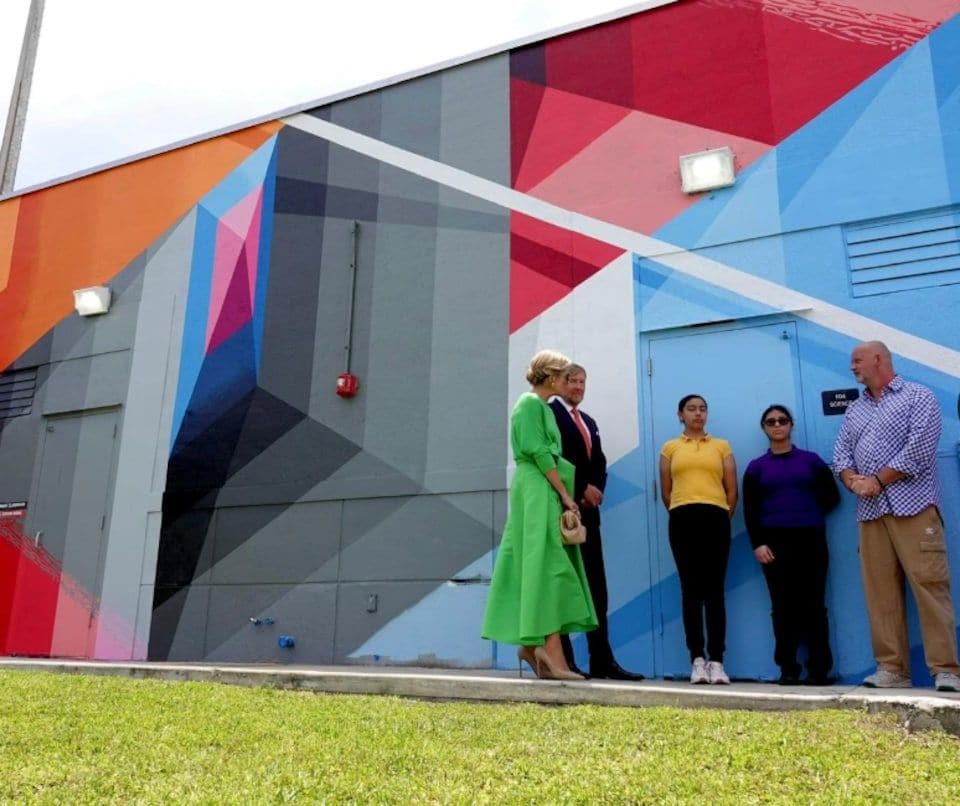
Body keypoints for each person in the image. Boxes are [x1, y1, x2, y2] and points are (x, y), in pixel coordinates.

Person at [833, 340, 960, 691]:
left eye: (857, 360)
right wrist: (852, 480)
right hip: (871, 513)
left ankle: (946, 670)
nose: (852, 367)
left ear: (878, 359)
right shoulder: (854, 409)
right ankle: (892, 669)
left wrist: (877, 480)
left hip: (914, 507)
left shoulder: (918, 396)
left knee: (930, 586)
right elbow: (840, 454)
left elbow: (919, 448)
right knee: (880, 593)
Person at [481, 349, 598, 680]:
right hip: (537, 488)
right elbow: (539, 453)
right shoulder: (530, 404)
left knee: (544, 564)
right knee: (545, 564)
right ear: (550, 377)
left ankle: (536, 646)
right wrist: (566, 495)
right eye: (563, 376)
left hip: (540, 488)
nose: (567, 381)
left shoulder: (541, 407)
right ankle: (548, 648)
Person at [549, 364, 644, 681]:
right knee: (564, 585)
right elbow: (552, 461)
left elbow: (599, 461)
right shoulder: (549, 414)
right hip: (561, 511)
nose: (578, 387)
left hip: (589, 515)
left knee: (596, 589)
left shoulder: (588, 421)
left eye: (582, 381)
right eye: (572, 381)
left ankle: (602, 660)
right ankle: (565, 661)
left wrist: (596, 489)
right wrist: (579, 490)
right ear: (558, 383)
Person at [742, 404, 840, 686]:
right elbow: (750, 510)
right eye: (771, 422)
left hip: (811, 539)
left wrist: (806, 513)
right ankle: (788, 668)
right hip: (773, 544)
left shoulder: (811, 461)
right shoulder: (756, 467)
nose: (777, 425)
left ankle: (819, 669)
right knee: (783, 606)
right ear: (764, 428)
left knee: (814, 605)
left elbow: (832, 496)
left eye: (782, 420)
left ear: (791, 425)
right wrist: (758, 543)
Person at [659, 394, 737, 685]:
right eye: (691, 409)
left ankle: (717, 661)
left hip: (716, 518)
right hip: (682, 519)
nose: (698, 414)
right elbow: (666, 491)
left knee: (714, 591)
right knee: (690, 591)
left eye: (702, 409)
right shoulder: (670, 448)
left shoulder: (721, 446)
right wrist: (681, 510)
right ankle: (697, 660)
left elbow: (732, 490)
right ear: (680, 415)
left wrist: (721, 515)